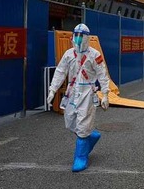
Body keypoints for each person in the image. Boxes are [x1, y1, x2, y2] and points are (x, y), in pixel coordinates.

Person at [46, 23, 110, 172]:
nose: (79, 39)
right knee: (70, 121)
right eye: (77, 35)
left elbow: (102, 74)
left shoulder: (95, 55)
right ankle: (91, 136)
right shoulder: (68, 54)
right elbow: (60, 72)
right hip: (72, 91)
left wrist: (105, 94)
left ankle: (80, 157)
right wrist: (52, 90)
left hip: (87, 92)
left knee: (82, 123)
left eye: (82, 36)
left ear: (87, 37)